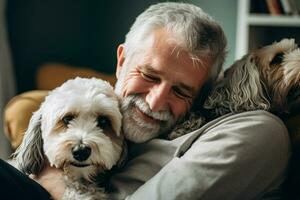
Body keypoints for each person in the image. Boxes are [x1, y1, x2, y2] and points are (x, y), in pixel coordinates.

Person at [0, 2, 290, 200]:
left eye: (181, 91)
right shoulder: (95, 103)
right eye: (149, 75)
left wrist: (54, 182)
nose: (155, 101)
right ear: (122, 60)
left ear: (200, 96)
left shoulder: (255, 130)